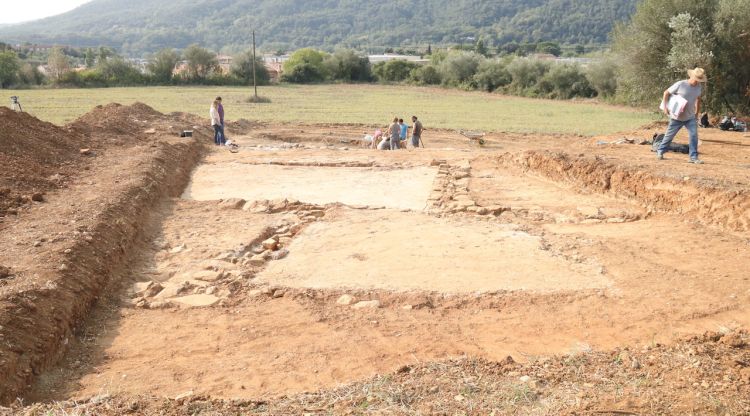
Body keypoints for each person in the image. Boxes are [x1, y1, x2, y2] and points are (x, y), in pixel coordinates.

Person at [657, 67, 707, 164]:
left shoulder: (698, 87)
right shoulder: (681, 84)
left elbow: (698, 99)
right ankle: (660, 151)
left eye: (699, 80)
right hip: (677, 117)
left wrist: (696, 113)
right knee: (669, 136)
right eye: (697, 79)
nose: (698, 82)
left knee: (694, 136)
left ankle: (693, 157)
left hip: (690, 117)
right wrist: (666, 107)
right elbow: (666, 93)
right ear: (692, 76)